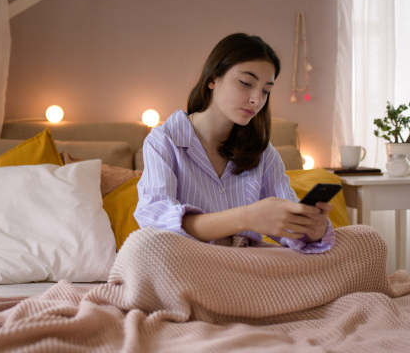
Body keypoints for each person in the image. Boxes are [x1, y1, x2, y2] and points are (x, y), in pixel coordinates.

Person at [134, 33, 335, 253]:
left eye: (266, 91)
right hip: (188, 261)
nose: (257, 100)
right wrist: (246, 218)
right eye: (246, 83)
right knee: (139, 253)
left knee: (365, 239)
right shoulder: (164, 140)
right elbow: (155, 218)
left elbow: (289, 225)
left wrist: (311, 231)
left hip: (247, 265)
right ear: (212, 79)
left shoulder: (263, 153)